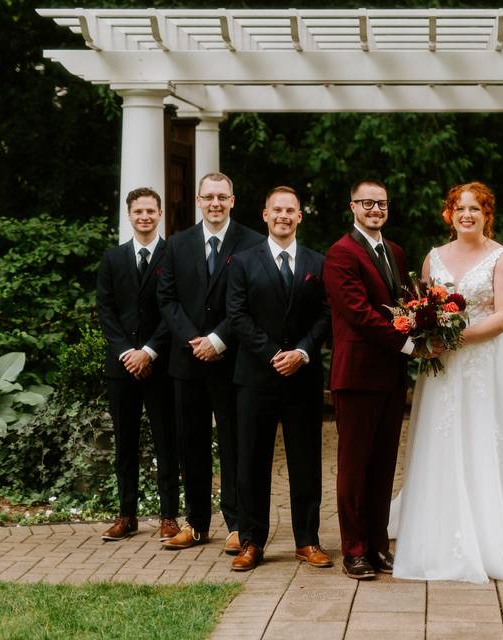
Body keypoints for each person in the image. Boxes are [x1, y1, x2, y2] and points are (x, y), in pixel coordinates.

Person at [389, 181, 503, 583]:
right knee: (442, 438)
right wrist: (428, 337)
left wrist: (450, 337)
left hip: (487, 364)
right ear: (449, 214)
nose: (467, 215)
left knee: (485, 439)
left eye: (475, 208)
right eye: (460, 208)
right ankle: (436, 529)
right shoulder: (433, 257)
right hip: (445, 366)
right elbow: (422, 306)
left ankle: (491, 533)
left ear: (487, 214)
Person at [323, 179, 427, 580]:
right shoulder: (340, 254)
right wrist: (409, 345)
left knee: (384, 464)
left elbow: (403, 304)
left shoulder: (396, 252)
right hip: (358, 375)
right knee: (354, 466)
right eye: (367, 203)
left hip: (390, 377)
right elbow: (359, 313)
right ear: (353, 207)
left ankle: (379, 545)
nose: (375, 209)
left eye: (381, 203)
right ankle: (353, 550)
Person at [225, 186, 332, 571]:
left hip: (302, 378)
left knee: (306, 462)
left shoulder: (317, 263)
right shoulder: (241, 262)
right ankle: (252, 542)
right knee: (251, 461)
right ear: (265, 215)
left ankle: (308, 540)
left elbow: (325, 315)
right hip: (256, 377)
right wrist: (273, 354)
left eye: (291, 210)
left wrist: (301, 352)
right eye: (277, 210)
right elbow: (236, 315)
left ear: (300, 216)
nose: (284, 216)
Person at [157, 172, 265, 552]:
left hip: (233, 359)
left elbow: (251, 301)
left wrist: (218, 339)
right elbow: (166, 299)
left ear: (233, 201)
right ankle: (197, 523)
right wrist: (193, 340)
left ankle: (237, 525)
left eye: (222, 197)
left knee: (236, 443)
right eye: (209, 197)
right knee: (193, 444)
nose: (215, 204)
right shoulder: (177, 244)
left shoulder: (253, 242)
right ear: (199, 201)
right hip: (187, 362)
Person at [96, 187, 180, 542]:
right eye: (138, 211)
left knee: (166, 442)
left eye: (150, 210)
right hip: (121, 366)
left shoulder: (173, 254)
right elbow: (106, 310)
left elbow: (175, 308)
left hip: (161, 365)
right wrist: (127, 352)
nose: (144, 216)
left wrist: (149, 350)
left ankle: (169, 516)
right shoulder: (112, 259)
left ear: (160, 214)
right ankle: (126, 515)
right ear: (128, 215)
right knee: (125, 444)